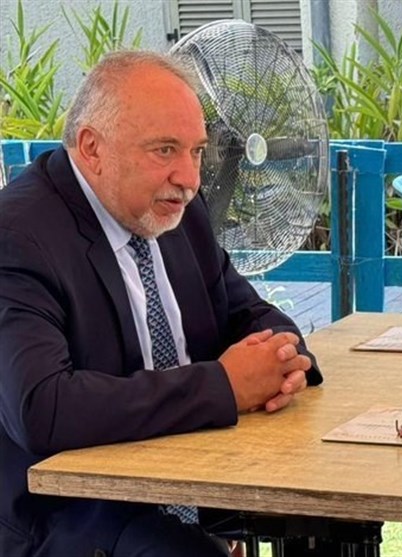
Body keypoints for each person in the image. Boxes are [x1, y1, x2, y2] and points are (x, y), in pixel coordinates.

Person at [0, 51, 323, 557]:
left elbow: (247, 313)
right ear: (92, 147)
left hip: (190, 484)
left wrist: (282, 360)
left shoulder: (176, 211)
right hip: (66, 515)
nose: (190, 179)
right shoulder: (16, 235)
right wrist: (225, 386)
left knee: (323, 516)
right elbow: (42, 409)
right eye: (165, 150)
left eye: (197, 151)